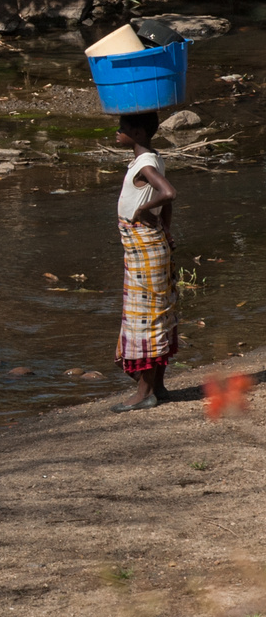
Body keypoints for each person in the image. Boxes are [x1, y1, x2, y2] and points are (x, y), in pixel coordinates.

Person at [111, 111, 178, 413]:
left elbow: (168, 193)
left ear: (137, 134)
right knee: (157, 312)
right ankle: (158, 386)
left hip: (145, 249)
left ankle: (145, 391)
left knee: (144, 317)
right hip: (149, 246)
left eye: (123, 128)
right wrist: (165, 225)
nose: (117, 132)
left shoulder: (146, 164)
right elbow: (167, 199)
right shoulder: (152, 157)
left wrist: (142, 211)